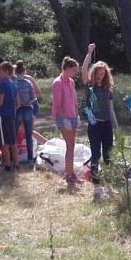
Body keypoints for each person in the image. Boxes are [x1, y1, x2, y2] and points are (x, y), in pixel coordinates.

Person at [81, 44, 118, 197]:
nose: (100, 75)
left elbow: (111, 109)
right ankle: (97, 185)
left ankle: (108, 183)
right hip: (94, 124)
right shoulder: (89, 86)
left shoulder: (108, 89)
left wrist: (116, 126)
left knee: (109, 155)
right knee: (96, 154)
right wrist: (89, 53)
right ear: (94, 73)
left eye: (103, 73)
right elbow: (83, 71)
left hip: (106, 124)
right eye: (98, 73)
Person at [52, 56, 81, 184]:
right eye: (74, 70)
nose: (76, 73)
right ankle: (69, 174)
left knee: (72, 145)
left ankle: (70, 172)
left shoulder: (71, 82)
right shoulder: (57, 83)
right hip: (63, 117)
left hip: (73, 116)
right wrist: (64, 120)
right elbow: (57, 104)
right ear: (67, 68)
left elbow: (74, 101)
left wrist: (78, 115)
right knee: (70, 144)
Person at [14, 60, 42, 163]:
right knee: (29, 135)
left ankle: (14, 157)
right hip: (28, 110)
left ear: (15, 72)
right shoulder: (28, 82)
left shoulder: (14, 83)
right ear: (24, 71)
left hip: (18, 110)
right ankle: (30, 158)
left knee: (14, 134)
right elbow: (33, 97)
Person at [0, 61, 19, 171]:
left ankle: (8, 165)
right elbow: (18, 103)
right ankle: (17, 163)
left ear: (6, 71)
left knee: (4, 142)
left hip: (2, 115)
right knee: (12, 141)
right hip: (12, 115)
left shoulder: (3, 84)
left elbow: (0, 101)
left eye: (0, 71)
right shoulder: (13, 84)